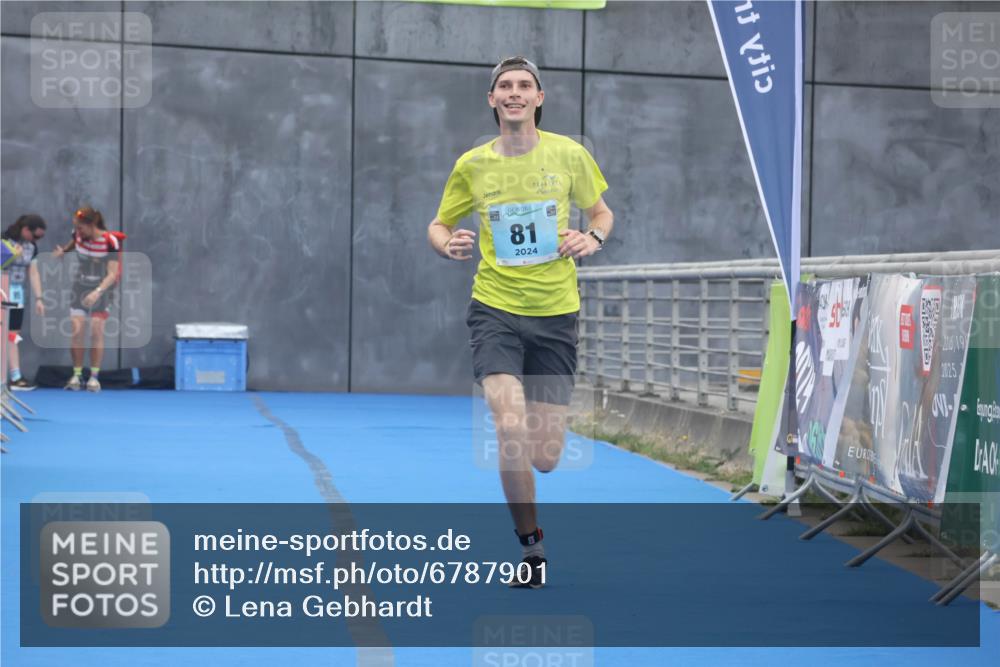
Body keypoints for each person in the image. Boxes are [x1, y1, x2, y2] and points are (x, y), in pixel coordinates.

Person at [427, 56, 614, 588]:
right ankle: (532, 551)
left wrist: (591, 238)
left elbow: (601, 214)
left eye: (524, 85)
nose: (514, 93)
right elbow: (440, 224)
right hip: (495, 309)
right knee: (507, 426)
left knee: (546, 457)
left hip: (556, 314)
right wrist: (448, 244)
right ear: (492, 99)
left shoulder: (569, 154)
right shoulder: (473, 165)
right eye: (504, 86)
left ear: (539, 97)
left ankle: (540, 465)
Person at [52, 207, 120, 392]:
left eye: (81, 228)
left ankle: (94, 378)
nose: (78, 232)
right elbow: (74, 242)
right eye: (77, 228)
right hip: (80, 286)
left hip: (102, 288)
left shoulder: (110, 241)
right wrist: (64, 251)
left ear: (92, 225)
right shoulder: (78, 235)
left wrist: (97, 292)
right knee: (77, 330)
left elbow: (113, 274)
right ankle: (76, 375)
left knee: (96, 330)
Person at [1, 214, 48, 390]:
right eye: (35, 236)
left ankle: (15, 377)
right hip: (1, 291)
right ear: (25, 229)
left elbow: (33, 273)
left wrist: (39, 298)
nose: (37, 240)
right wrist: (11, 255)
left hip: (16, 293)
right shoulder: (3, 239)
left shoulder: (31, 247)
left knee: (13, 334)